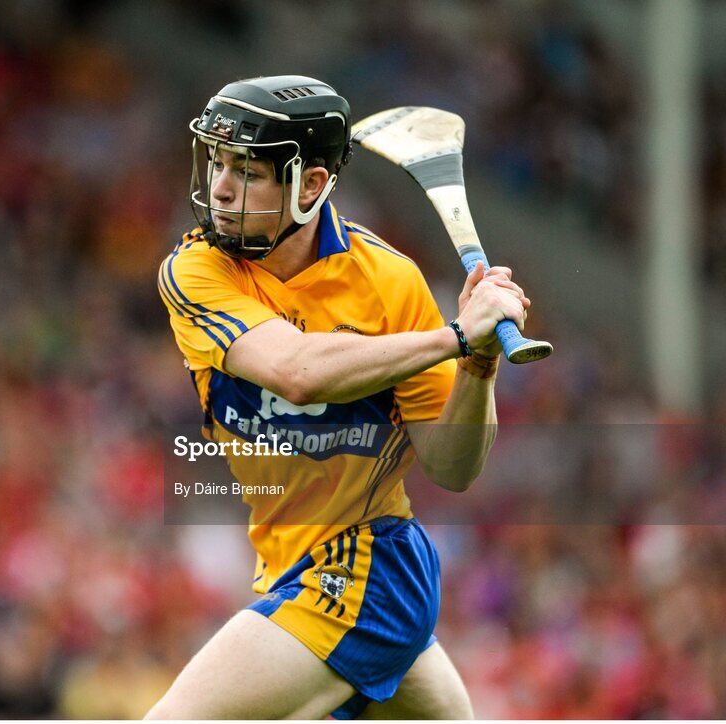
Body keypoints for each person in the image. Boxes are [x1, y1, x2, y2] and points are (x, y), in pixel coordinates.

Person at [150, 75, 530, 719]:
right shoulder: (196, 271)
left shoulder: (389, 282)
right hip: (291, 567)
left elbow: (452, 467)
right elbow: (298, 371)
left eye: (246, 171)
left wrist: (480, 365)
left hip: (370, 561)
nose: (218, 186)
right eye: (217, 161)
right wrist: (457, 335)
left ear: (312, 185)